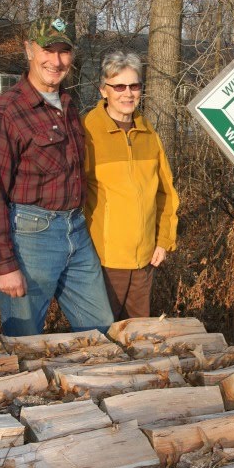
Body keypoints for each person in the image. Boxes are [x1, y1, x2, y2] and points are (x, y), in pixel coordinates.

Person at [0, 16, 113, 336]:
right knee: (24, 341)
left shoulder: (68, 104)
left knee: (102, 332)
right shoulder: (6, 111)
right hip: (31, 235)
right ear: (29, 50)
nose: (56, 60)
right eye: (47, 51)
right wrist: (5, 265)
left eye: (64, 52)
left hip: (76, 231)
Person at [82, 51, 179, 320]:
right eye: (119, 86)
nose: (128, 93)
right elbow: (72, 198)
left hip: (145, 261)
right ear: (104, 90)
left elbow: (166, 193)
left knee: (139, 338)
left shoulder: (148, 133)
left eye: (134, 86)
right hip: (104, 262)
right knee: (102, 341)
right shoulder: (87, 132)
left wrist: (163, 241)